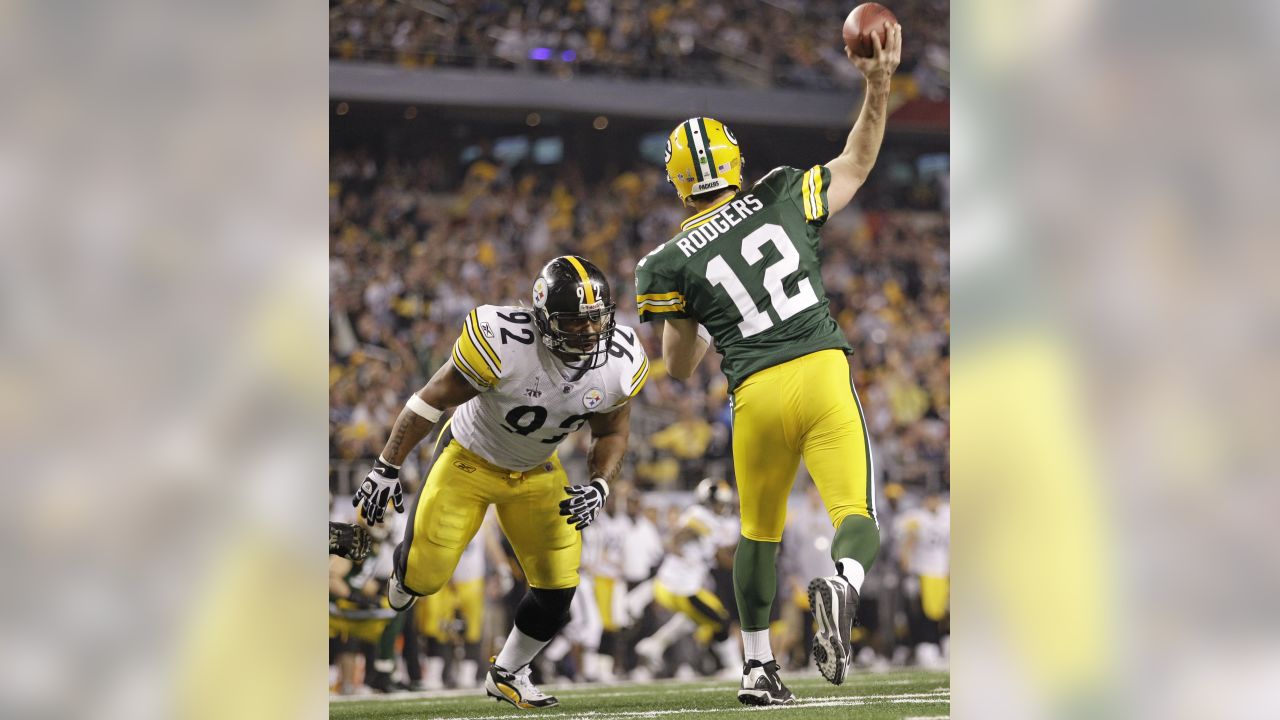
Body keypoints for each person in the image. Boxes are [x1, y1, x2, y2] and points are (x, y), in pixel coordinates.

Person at [633, 22, 903, 705]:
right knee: (854, 511)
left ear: (677, 180)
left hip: (753, 392)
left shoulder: (666, 262)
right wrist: (877, 85)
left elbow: (681, 366)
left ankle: (757, 668)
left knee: (758, 533)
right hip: (818, 369)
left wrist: (696, 315)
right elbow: (857, 162)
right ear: (733, 162)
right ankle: (843, 582)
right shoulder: (780, 192)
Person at [354, 255, 649, 708]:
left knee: (558, 588)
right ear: (544, 319)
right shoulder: (504, 341)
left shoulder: (619, 361)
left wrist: (600, 485)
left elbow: (612, 432)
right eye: (574, 322)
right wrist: (386, 466)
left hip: (537, 470)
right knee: (422, 579)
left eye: (597, 321)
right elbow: (430, 400)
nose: (590, 334)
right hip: (468, 460)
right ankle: (402, 574)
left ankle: (509, 672)